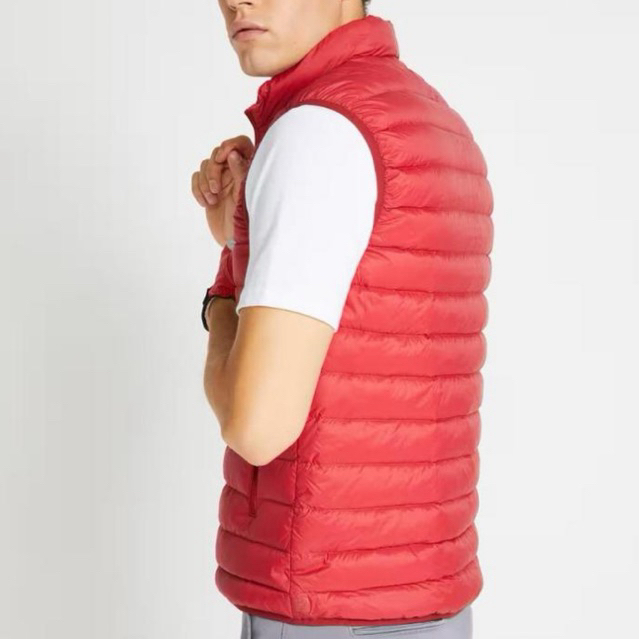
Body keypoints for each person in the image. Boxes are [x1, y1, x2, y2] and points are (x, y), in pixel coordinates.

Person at [192, 1, 493, 638]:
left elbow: (256, 425)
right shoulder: (434, 123)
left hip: (322, 604)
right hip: (430, 602)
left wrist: (223, 294)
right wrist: (243, 237)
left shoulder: (315, 131)